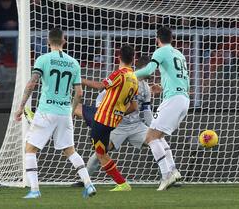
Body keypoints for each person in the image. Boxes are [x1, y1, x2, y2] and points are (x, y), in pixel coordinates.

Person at [14, 28, 96, 199]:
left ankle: (35, 190)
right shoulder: (73, 63)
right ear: (64, 41)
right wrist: (71, 112)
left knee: (30, 149)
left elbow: (32, 83)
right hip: (65, 113)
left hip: (46, 111)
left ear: (48, 42)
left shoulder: (43, 59)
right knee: (71, 151)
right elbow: (79, 93)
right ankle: (88, 184)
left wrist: (21, 106)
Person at [71, 56, 162, 187]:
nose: (153, 73)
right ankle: (84, 180)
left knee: (157, 142)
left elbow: (146, 111)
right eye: (151, 70)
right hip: (118, 125)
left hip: (136, 126)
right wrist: (105, 114)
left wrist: (154, 127)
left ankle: (167, 175)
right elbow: (101, 96)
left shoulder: (146, 88)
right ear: (143, 68)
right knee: (100, 152)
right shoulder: (124, 79)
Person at [135, 26, 190, 191]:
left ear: (157, 39)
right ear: (172, 39)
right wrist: (164, 88)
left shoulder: (160, 51)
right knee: (159, 137)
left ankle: (166, 175)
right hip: (184, 99)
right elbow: (184, 80)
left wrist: (128, 75)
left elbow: (149, 70)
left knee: (151, 137)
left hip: (173, 100)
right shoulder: (179, 54)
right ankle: (173, 170)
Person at [82, 44, 138, 191]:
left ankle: (122, 183)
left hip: (102, 118)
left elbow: (100, 86)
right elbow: (134, 107)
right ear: (133, 58)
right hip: (114, 120)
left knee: (100, 153)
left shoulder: (119, 74)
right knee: (102, 151)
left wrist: (80, 80)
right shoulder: (134, 79)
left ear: (118, 57)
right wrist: (118, 112)